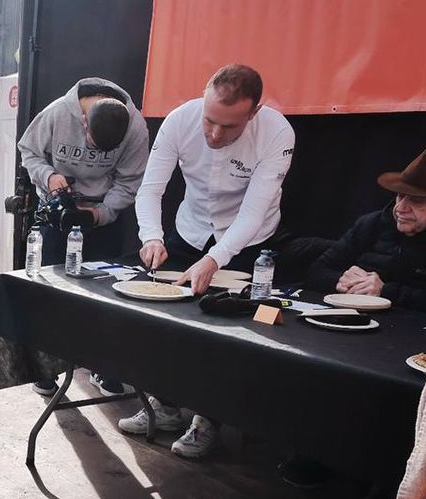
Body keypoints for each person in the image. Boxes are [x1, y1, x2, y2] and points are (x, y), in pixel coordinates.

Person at [121, 64, 295, 459]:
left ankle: (208, 421)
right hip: (191, 229)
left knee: (226, 330)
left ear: (252, 114)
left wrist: (215, 259)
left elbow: (253, 214)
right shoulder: (179, 120)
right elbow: (150, 190)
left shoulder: (277, 132)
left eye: (229, 127)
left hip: (248, 240)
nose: (215, 134)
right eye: (210, 121)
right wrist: (152, 236)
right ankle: (164, 407)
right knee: (164, 319)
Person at [18, 76, 149, 399]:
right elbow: (28, 151)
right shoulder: (57, 113)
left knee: (104, 297)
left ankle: (103, 368)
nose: (93, 151)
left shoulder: (136, 129)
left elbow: (130, 182)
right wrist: (49, 176)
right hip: (56, 209)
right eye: (90, 141)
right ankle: (47, 367)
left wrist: (100, 214)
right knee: (49, 294)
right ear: (84, 120)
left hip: (101, 216)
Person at [307, 143, 426, 311]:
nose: (400, 208)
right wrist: (344, 281)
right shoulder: (372, 223)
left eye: (417, 200)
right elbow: (316, 271)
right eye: (400, 195)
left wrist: (385, 291)